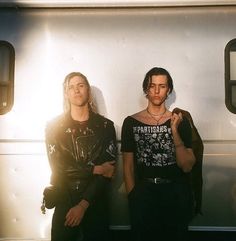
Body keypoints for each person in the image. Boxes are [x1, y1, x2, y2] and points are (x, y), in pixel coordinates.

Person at [121, 67, 196, 241]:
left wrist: (175, 131)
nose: (156, 91)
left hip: (175, 194)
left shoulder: (180, 120)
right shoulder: (131, 122)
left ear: (168, 90)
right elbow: (128, 166)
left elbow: (186, 166)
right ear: (146, 89)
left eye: (161, 86)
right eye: (152, 85)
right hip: (144, 194)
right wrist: (134, 198)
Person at [44, 72, 117, 241]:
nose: (76, 90)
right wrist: (96, 169)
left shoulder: (106, 126)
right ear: (66, 94)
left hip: (95, 201)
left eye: (81, 85)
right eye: (71, 87)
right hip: (64, 198)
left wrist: (83, 205)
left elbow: (109, 172)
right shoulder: (54, 127)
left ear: (88, 92)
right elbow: (59, 168)